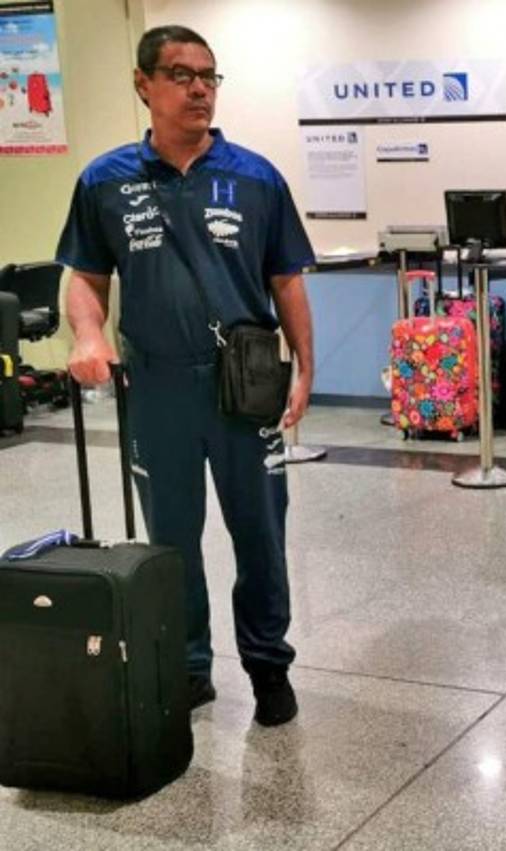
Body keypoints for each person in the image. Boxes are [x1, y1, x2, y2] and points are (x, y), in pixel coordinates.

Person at [57, 25, 315, 727]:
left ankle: (268, 666)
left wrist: (305, 371)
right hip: (157, 386)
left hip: (245, 382)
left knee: (260, 532)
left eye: (209, 75)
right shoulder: (103, 180)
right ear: (143, 85)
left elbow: (286, 281)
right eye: (181, 74)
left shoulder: (256, 176)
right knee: (170, 537)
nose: (199, 87)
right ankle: (188, 662)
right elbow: (84, 277)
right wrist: (86, 333)